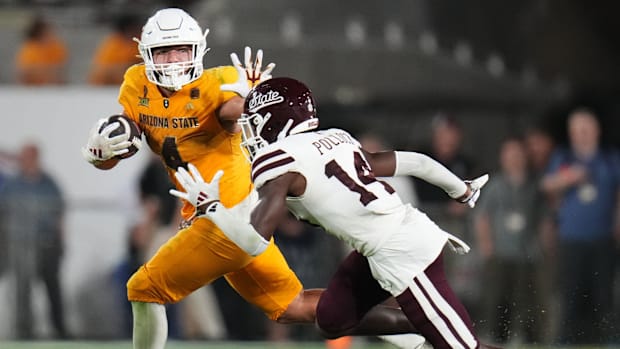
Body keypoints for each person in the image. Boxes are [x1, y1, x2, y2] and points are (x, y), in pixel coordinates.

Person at [80, 8, 417, 349]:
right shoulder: (137, 83)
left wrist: (254, 99)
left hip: (221, 219)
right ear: (146, 55)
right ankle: (418, 327)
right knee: (293, 306)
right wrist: (104, 150)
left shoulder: (217, 85)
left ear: (197, 50)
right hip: (243, 219)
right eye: (164, 52)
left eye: (181, 50)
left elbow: (233, 111)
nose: (173, 60)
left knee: (144, 288)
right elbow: (126, 139)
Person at [170, 77, 496, 349]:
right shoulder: (336, 139)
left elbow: (254, 241)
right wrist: (461, 189)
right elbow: (417, 163)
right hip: (382, 244)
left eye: (254, 124)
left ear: (273, 122)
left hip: (403, 252)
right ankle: (426, 328)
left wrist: (212, 210)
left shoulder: (277, 163)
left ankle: (437, 330)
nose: (250, 134)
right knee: (332, 318)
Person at [541, 108, 620, 345]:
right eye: (576, 130)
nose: (581, 134)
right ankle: (564, 340)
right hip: (571, 238)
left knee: (604, 293)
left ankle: (610, 339)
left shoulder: (610, 158)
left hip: (602, 237)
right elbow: (546, 185)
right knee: (569, 294)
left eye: (585, 129)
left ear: (596, 131)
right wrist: (567, 179)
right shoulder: (563, 158)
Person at [473, 137, 546, 344]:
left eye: (517, 155)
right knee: (498, 303)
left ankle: (532, 341)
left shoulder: (534, 186)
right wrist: (487, 248)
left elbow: (544, 219)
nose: (514, 160)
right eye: (509, 155)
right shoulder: (495, 186)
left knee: (528, 303)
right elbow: (482, 217)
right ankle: (496, 342)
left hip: (527, 255)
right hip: (501, 254)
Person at [0, 142, 68, 339]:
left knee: (52, 287)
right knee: (22, 289)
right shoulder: (12, 186)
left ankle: (60, 330)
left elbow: (59, 213)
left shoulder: (49, 183)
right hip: (20, 245)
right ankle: (24, 330)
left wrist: (61, 242)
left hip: (47, 244)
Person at [88, 13, 143, 85]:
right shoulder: (113, 44)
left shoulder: (140, 42)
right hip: (109, 88)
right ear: (127, 29)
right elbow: (102, 72)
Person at [14, 15, 68, 85]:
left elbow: (60, 72)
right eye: (47, 32)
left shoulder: (57, 47)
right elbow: (23, 73)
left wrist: (39, 70)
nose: (52, 34)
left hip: (52, 88)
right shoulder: (29, 48)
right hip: (31, 89)